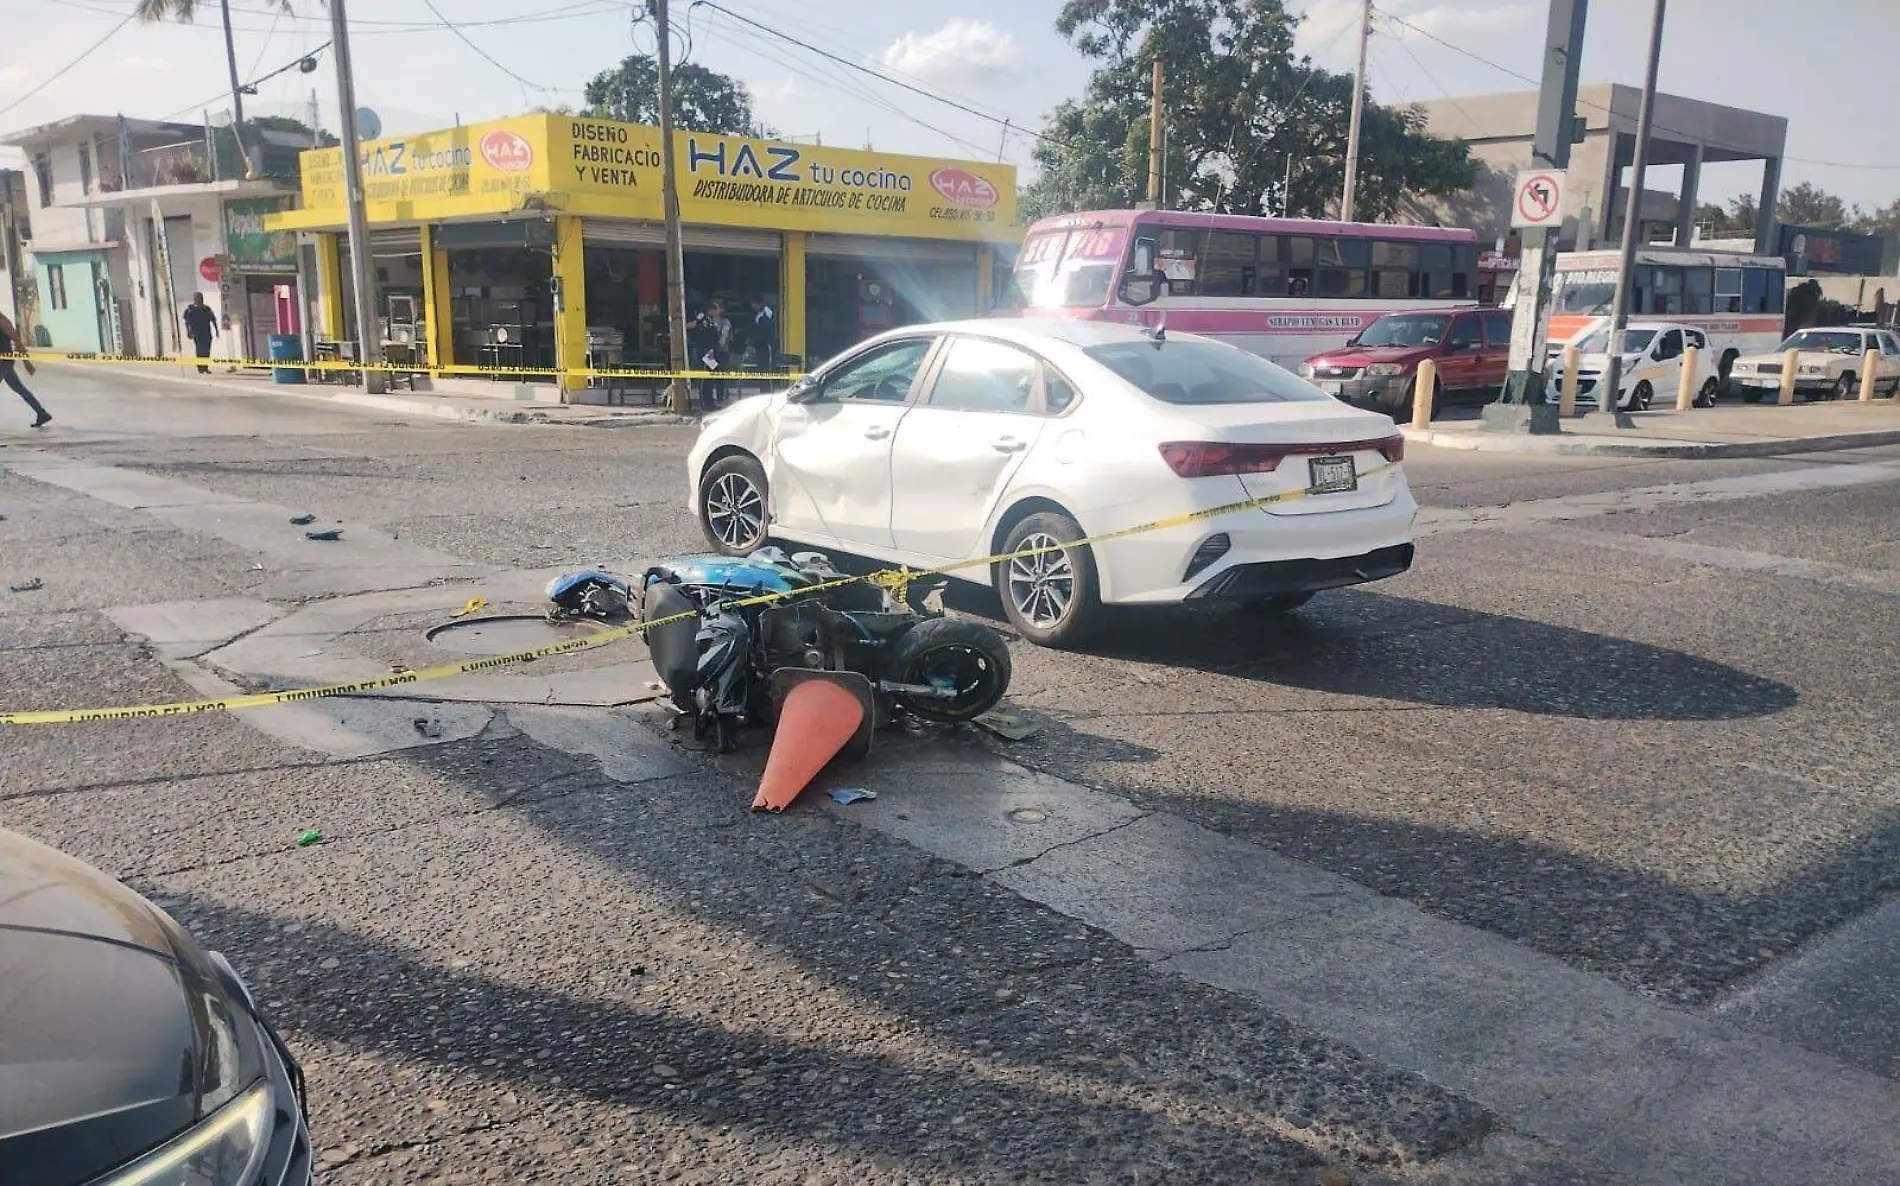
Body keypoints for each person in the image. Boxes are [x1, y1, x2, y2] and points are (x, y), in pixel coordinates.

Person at [0, 310, 51, 428]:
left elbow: (17, 340)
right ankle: (41, 413)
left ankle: (41, 413)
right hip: (4, 362)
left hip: (4, 362)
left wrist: (26, 362)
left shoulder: (3, 321)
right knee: (19, 388)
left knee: (19, 388)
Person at [181, 292, 218, 374]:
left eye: (200, 298)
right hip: (196, 333)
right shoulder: (190, 309)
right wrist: (188, 331)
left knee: (207, 350)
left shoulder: (207, 309)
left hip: (206, 333)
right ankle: (200, 367)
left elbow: (213, 320)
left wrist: (217, 331)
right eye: (197, 298)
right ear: (194, 299)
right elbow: (186, 322)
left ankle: (205, 367)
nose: (199, 300)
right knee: (200, 350)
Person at [744, 293, 777, 370]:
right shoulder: (759, 314)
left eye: (753, 304)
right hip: (760, 347)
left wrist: (753, 342)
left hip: (766, 347)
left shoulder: (766, 314)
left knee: (766, 368)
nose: (752, 306)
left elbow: (763, 332)